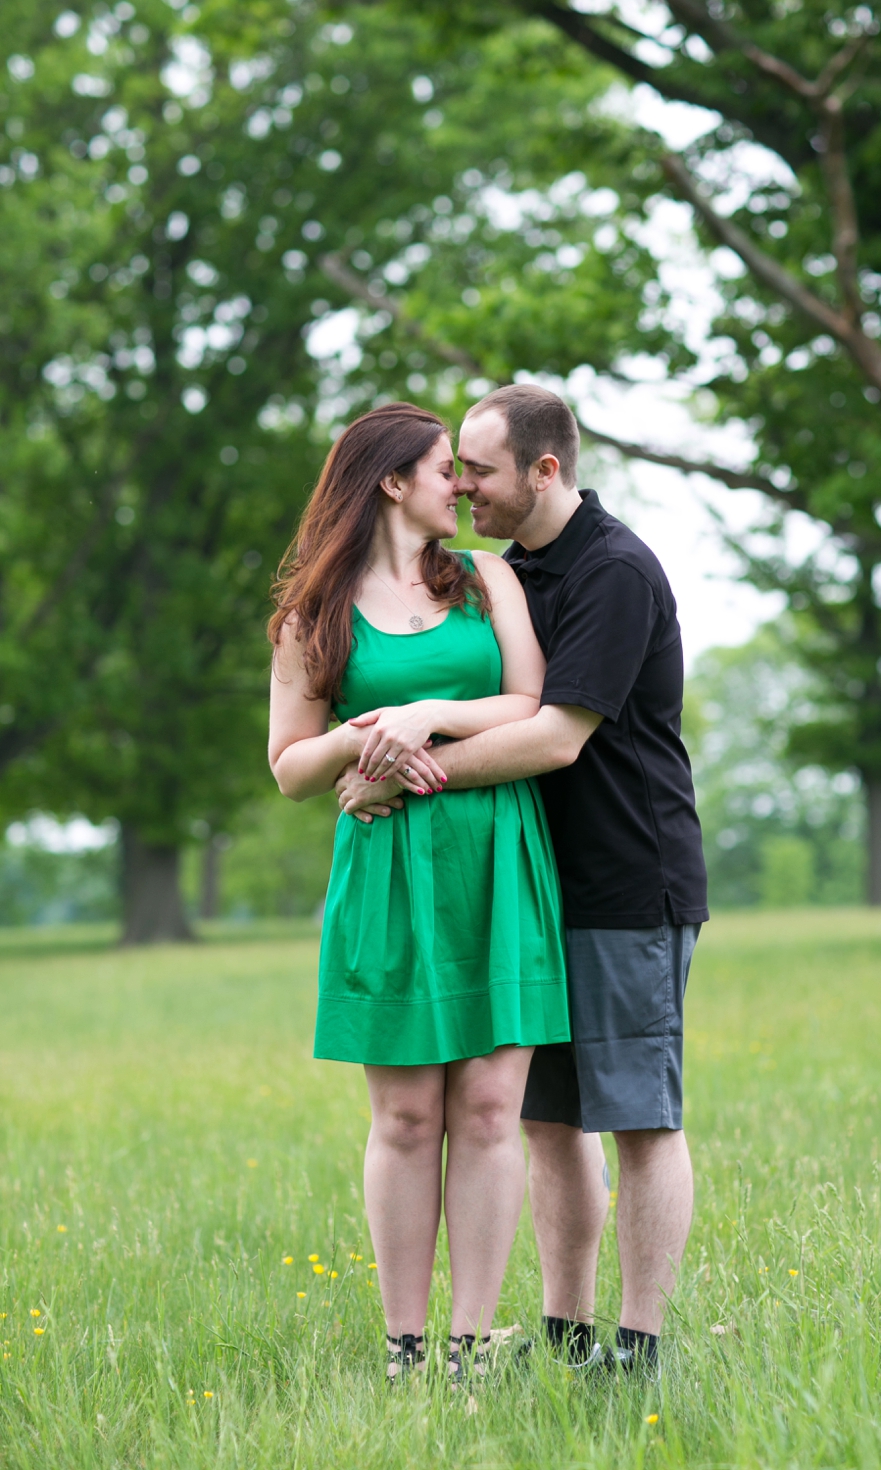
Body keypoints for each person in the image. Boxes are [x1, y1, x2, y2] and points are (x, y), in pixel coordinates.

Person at [337, 385, 708, 1377]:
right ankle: (563, 1336)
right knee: (544, 1124)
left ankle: (640, 1348)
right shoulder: (503, 573)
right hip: (529, 892)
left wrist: (392, 783)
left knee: (638, 1120)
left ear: (545, 471)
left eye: (479, 470)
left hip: (627, 885)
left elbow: (550, 736)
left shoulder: (614, 571)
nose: (461, 486)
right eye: (451, 467)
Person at [267, 402, 570, 1386]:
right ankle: (405, 1344)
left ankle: (470, 1345)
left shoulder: (487, 579)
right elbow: (288, 767)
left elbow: (526, 701)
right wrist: (366, 743)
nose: (465, 485)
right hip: (388, 869)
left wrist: (421, 715)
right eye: (449, 469)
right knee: (404, 1118)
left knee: (488, 1108)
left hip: (492, 856)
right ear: (393, 482)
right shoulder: (309, 614)